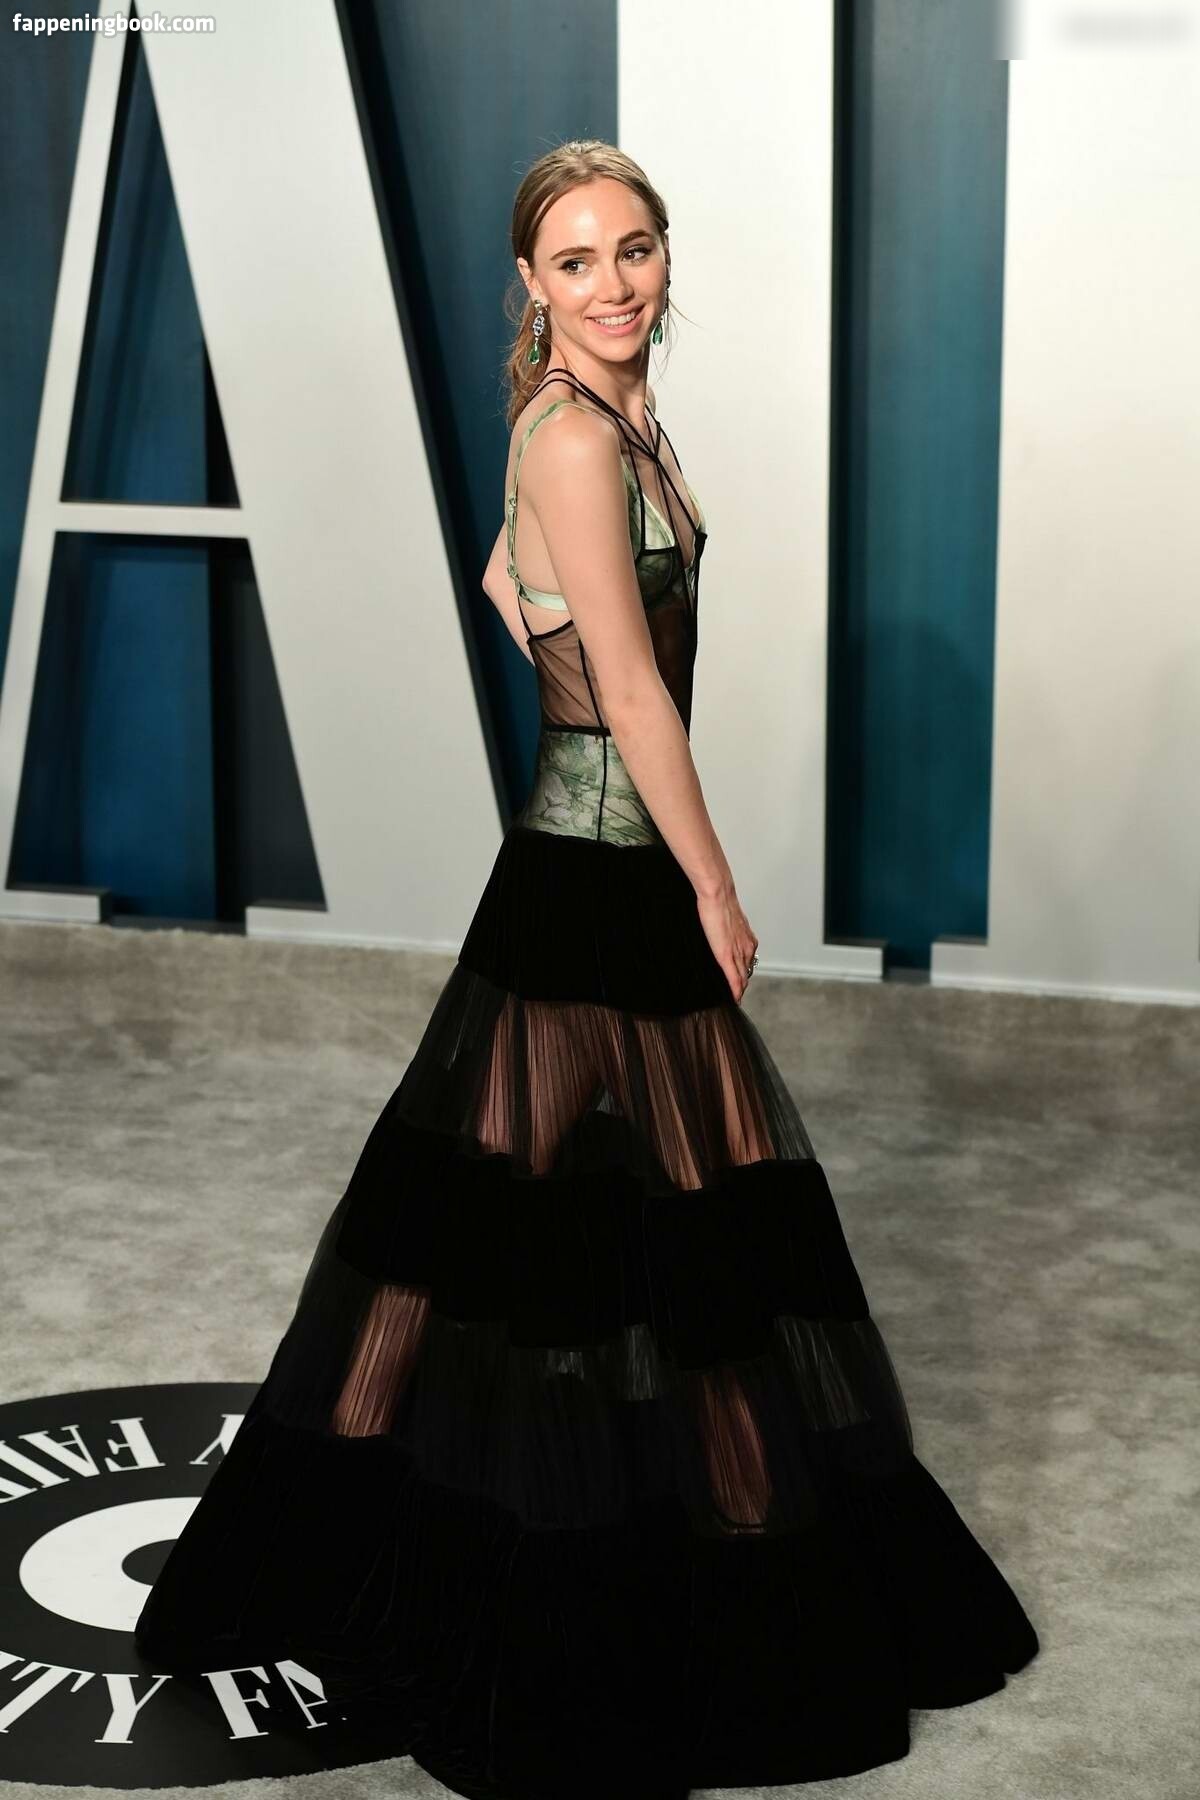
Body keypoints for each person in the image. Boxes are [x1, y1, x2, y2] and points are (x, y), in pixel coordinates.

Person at [134, 139, 1039, 1800]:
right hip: (597, 884)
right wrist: (715, 885)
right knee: (609, 1237)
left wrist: (557, 637)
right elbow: (626, 693)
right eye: (576, 260)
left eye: (636, 248)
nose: (615, 283)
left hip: (592, 873)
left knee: (591, 1235)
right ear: (531, 283)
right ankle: (589, 1593)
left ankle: (641, 1566)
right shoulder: (570, 435)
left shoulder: (609, 417)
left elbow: (513, 584)